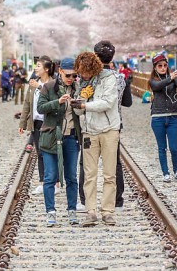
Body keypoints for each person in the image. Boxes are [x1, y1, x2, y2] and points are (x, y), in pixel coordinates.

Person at [78, 41, 131, 210]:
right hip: (114, 124)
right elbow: (127, 102)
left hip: (93, 124)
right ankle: (117, 200)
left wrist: (84, 104)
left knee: (86, 168)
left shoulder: (86, 79)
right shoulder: (120, 77)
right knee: (113, 166)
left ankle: (85, 200)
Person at [73, 50, 121, 227]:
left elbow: (108, 103)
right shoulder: (81, 83)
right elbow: (78, 110)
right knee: (89, 174)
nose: (82, 75)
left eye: (84, 71)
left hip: (109, 129)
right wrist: (81, 99)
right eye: (80, 72)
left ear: (92, 68)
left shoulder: (109, 78)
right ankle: (90, 211)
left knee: (109, 174)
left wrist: (85, 104)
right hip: (89, 131)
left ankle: (108, 211)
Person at [37, 57, 82, 226]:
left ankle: (72, 211)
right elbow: (40, 108)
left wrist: (80, 105)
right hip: (51, 136)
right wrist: (58, 102)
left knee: (71, 176)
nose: (71, 79)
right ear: (61, 72)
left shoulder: (78, 88)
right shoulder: (49, 87)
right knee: (50, 176)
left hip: (71, 137)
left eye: (74, 76)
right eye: (68, 75)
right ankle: (51, 212)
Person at [20, 56, 54, 194]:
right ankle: (42, 182)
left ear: (46, 69)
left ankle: (54, 183)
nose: (36, 68)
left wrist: (39, 87)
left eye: (39, 66)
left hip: (50, 122)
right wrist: (23, 122)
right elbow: (27, 104)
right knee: (40, 152)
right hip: (36, 121)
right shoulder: (33, 83)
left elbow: (54, 97)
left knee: (50, 152)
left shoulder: (54, 83)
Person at [149, 54, 177, 182]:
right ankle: (165, 172)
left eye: (165, 65)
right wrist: (171, 77)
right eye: (160, 66)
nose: (163, 68)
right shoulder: (152, 80)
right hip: (158, 117)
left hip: (172, 116)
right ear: (155, 67)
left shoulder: (172, 78)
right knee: (162, 147)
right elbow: (157, 87)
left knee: (174, 147)